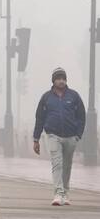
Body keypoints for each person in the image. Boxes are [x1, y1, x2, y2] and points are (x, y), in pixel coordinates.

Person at [32, 67, 86, 206]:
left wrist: (78, 135)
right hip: (53, 135)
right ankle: (58, 194)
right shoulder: (46, 97)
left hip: (71, 137)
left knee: (67, 166)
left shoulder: (74, 96)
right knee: (57, 164)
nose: (61, 81)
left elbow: (81, 116)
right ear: (54, 81)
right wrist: (36, 139)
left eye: (63, 78)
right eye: (58, 78)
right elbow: (39, 118)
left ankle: (66, 193)